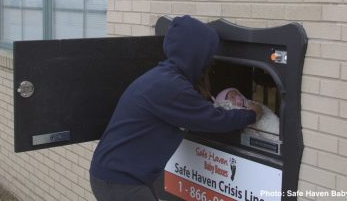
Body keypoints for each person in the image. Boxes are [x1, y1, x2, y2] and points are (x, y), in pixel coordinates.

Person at [89, 15, 261, 201]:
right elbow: (214, 120)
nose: (209, 62)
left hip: (120, 175)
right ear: (195, 54)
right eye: (207, 55)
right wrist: (251, 114)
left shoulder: (165, 76)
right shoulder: (172, 87)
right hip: (120, 182)